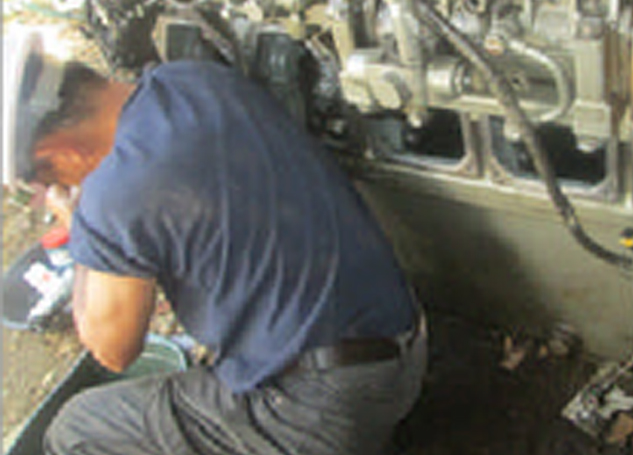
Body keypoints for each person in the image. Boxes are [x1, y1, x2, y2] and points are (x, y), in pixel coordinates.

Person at [4, 31, 426, 455]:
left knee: (78, 427)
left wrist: (79, 229)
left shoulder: (113, 195)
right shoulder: (191, 79)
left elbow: (111, 350)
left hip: (321, 409)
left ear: (60, 152)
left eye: (45, 180)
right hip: (402, 341)